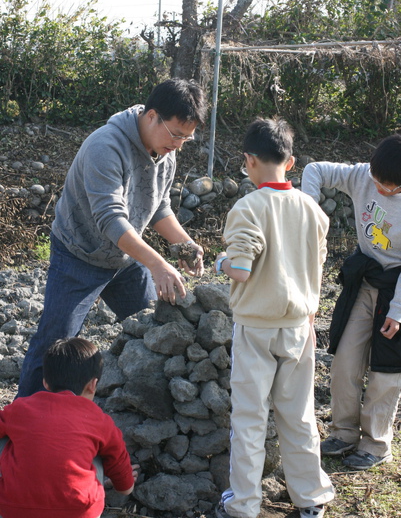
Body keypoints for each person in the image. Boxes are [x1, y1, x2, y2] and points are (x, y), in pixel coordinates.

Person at [17, 78, 207, 397]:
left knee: (153, 328)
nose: (178, 144)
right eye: (176, 134)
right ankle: (19, 427)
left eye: (186, 138)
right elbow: (110, 218)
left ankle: (139, 413)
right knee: (55, 344)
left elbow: (159, 205)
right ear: (151, 116)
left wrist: (184, 243)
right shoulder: (105, 146)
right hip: (78, 254)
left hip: (125, 260)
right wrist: (158, 264)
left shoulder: (166, 152)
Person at [213, 118, 335, 518]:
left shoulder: (248, 208)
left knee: (249, 419)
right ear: (292, 161)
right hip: (299, 328)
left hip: (256, 329)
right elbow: (317, 268)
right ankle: (310, 499)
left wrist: (221, 262)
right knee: (299, 417)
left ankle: (245, 504)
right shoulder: (312, 210)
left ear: (248, 161)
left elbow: (242, 269)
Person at [301, 134, 401, 471]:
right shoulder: (363, 175)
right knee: (345, 358)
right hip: (365, 280)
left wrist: (398, 311)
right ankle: (343, 432)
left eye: (392, 188)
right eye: (379, 182)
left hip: (397, 289)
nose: (382, 190)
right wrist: (309, 215)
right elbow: (315, 170)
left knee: (386, 371)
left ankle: (375, 443)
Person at [0, 337, 138, 518]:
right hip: (80, 511)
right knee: (95, 454)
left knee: (7, 440)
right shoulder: (98, 419)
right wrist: (126, 486)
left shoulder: (20, 408)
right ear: (93, 385)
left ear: (45, 382)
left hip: (13, 509)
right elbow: (119, 463)